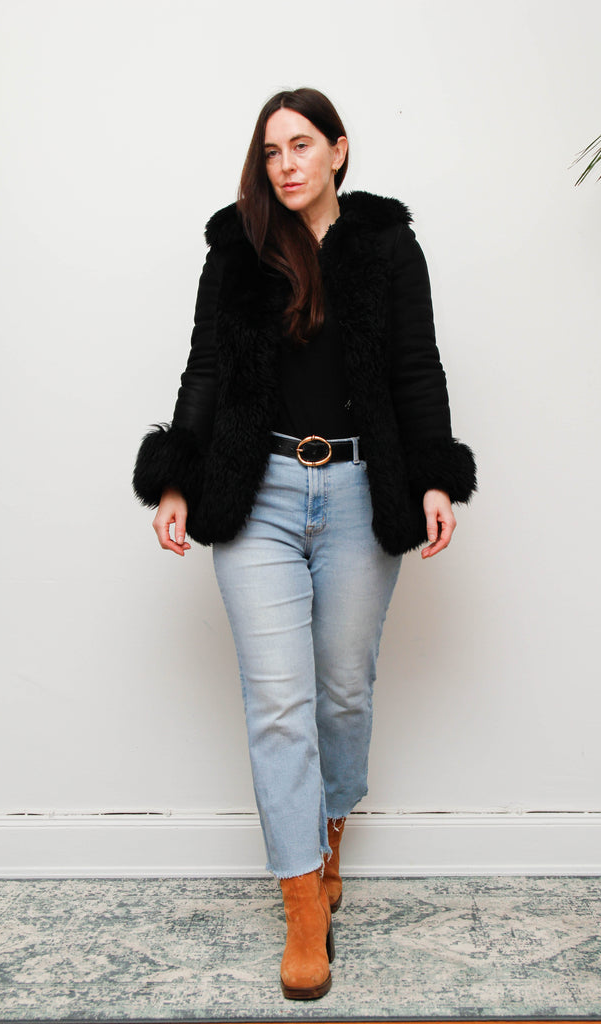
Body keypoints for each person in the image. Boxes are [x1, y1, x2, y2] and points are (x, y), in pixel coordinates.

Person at [133, 87, 476, 1000]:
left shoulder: (387, 245)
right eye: (270, 151)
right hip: (260, 494)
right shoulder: (236, 247)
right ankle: (301, 909)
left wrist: (434, 476)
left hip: (362, 489)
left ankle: (328, 834)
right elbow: (205, 367)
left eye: (300, 145)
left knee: (342, 690)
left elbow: (416, 366)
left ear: (338, 149)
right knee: (278, 703)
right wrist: (175, 478)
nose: (284, 164)